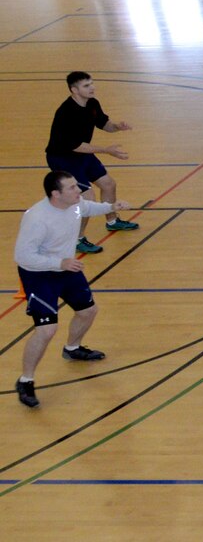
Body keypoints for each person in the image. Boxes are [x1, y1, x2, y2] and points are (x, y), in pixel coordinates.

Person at [13, 171, 128, 407]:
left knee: (88, 311)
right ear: (56, 194)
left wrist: (110, 206)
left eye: (77, 185)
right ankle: (26, 381)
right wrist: (60, 263)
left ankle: (72, 348)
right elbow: (23, 257)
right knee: (46, 330)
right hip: (39, 275)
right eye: (72, 188)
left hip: (66, 267)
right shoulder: (37, 219)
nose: (79, 190)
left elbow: (87, 208)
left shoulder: (75, 204)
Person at [45, 71, 138, 254]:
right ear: (74, 90)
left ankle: (112, 221)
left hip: (82, 154)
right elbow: (75, 145)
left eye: (92, 83)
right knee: (87, 197)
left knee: (108, 184)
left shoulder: (92, 103)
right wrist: (106, 150)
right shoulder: (66, 112)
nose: (92, 87)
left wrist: (117, 127)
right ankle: (77, 239)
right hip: (63, 158)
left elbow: (104, 123)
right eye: (86, 85)